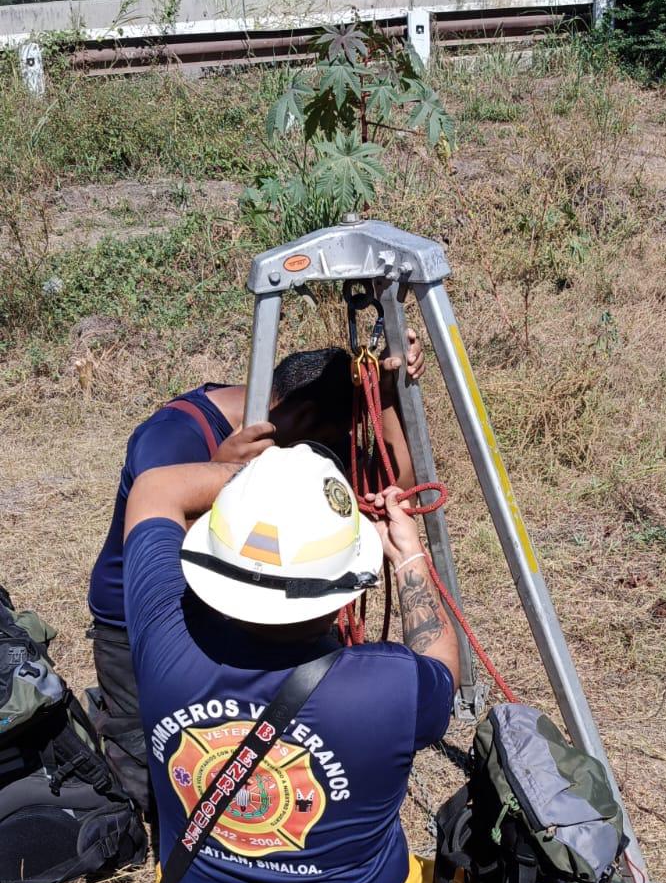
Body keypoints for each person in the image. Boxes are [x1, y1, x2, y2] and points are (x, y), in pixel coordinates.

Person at [124, 441, 460, 883]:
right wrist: (409, 558)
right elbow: (444, 667)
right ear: (345, 587)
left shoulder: (155, 634)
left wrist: (246, 484)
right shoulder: (391, 687)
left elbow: (153, 486)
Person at [89, 338, 425, 812]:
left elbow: (392, 485)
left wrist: (386, 392)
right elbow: (167, 546)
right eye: (335, 439)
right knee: (159, 777)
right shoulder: (171, 440)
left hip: (241, 616)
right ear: (306, 422)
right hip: (147, 620)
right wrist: (227, 472)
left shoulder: (288, 441)